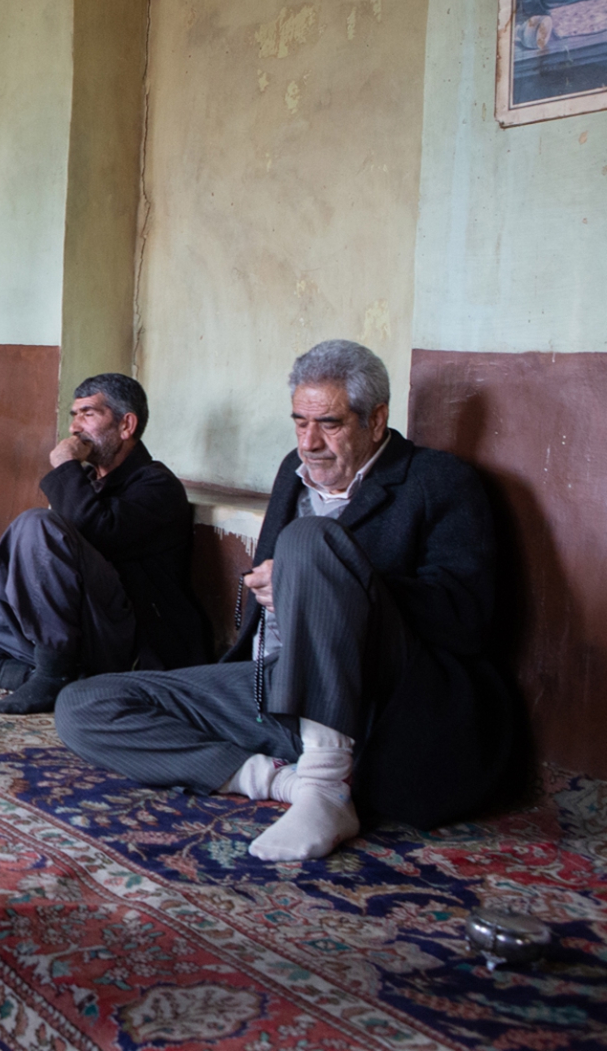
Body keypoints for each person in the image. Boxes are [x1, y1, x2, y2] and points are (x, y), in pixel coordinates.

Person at [56, 340, 516, 862]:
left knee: (308, 543)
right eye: (299, 422)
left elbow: (467, 618)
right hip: (275, 685)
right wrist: (279, 591)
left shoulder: (438, 481)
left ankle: (327, 788)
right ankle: (286, 782)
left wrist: (332, 582)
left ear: (377, 418)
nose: (310, 442)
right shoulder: (290, 472)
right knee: (84, 705)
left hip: (378, 698)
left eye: (330, 424)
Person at [0, 373, 209, 715]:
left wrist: (66, 466)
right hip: (60, 632)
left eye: (88, 414)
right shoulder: (87, 482)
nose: (75, 428)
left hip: (118, 635)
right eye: (74, 415)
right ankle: (45, 675)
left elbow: (98, 532)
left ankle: (53, 673)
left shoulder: (158, 486)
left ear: (126, 425)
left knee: (36, 523)